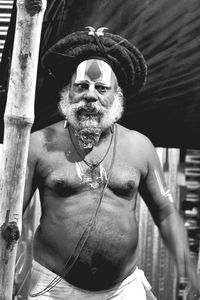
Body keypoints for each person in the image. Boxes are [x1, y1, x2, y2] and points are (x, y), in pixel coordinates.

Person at [24, 27, 200, 299]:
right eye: (81, 86)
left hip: (123, 289)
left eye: (101, 88)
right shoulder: (39, 144)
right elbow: (7, 213)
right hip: (52, 286)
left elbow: (165, 212)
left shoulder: (139, 147)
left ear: (117, 95)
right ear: (67, 92)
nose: (91, 96)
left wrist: (186, 265)